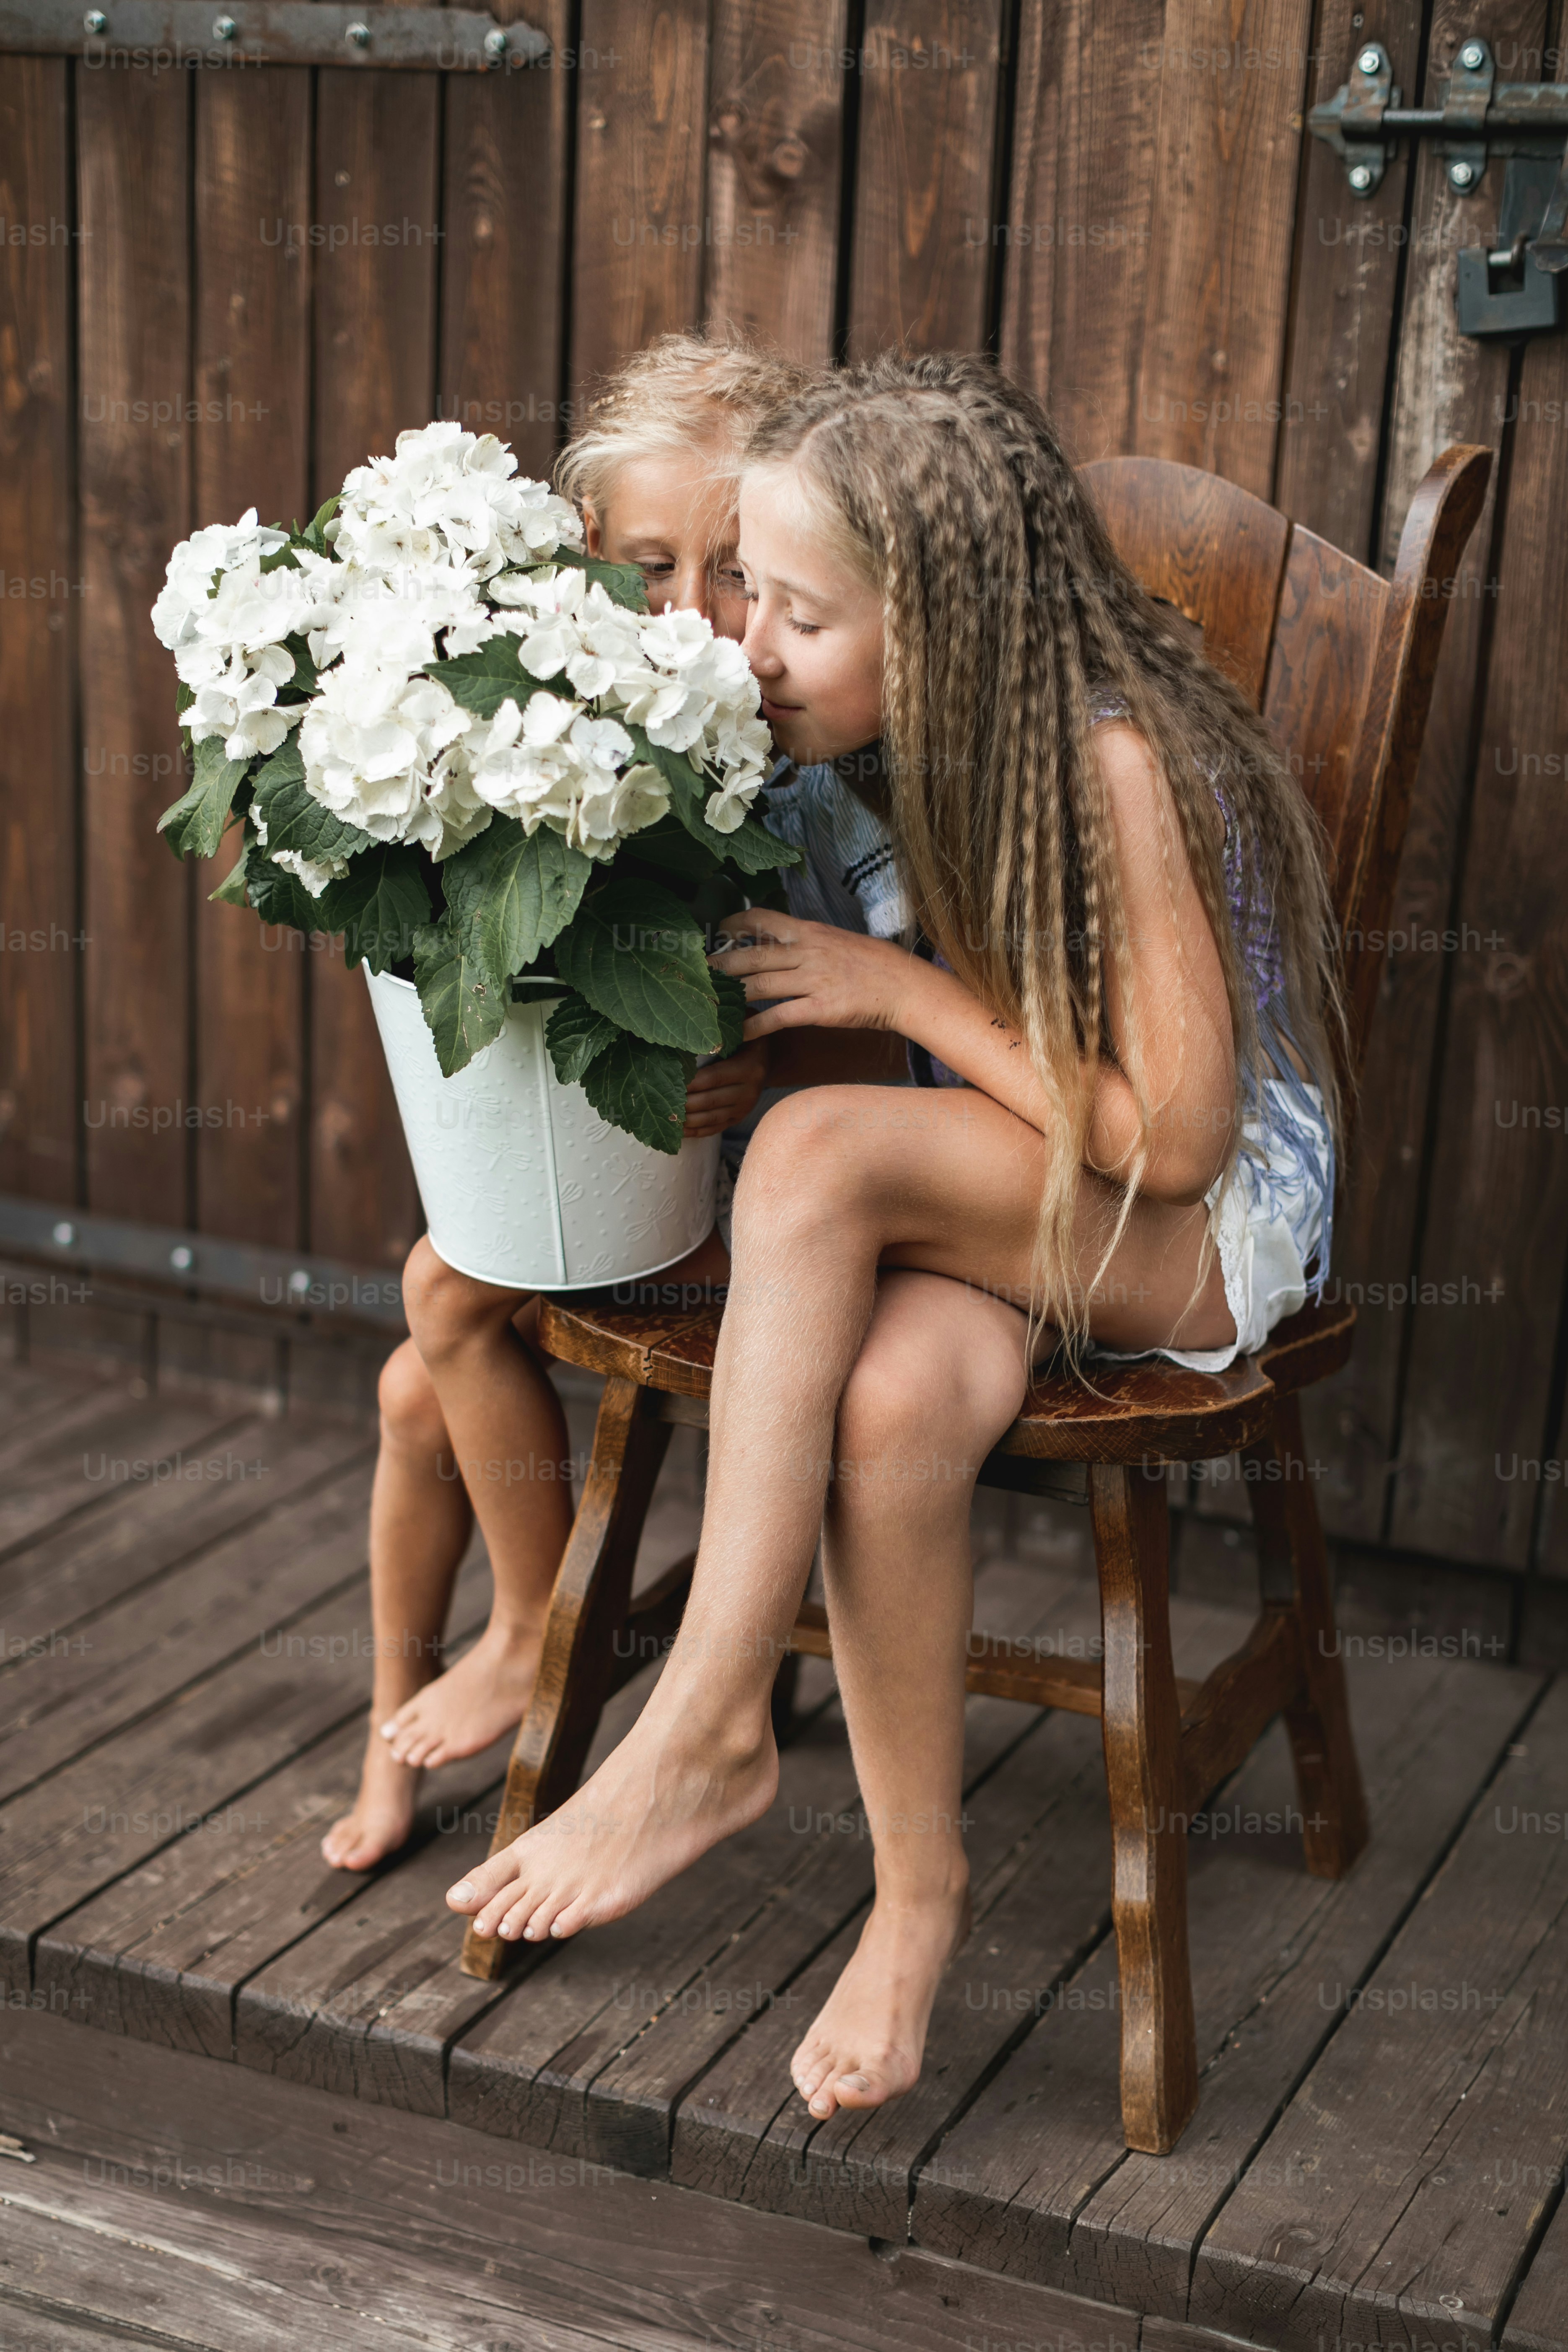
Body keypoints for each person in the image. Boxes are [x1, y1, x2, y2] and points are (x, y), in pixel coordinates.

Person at [442, 352, 1345, 2128]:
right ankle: (916, 1897)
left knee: (825, 1149)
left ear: (933, 630)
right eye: (740, 591)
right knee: (892, 1402)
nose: (747, 646)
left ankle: (703, 1718)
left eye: (791, 610)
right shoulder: (863, 750)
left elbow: (1175, 1142)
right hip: (1014, 1190)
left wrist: (890, 989)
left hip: (1201, 1234)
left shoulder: (1111, 763)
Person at [322, 334, 907, 1871]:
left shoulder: (813, 760)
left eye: (738, 569)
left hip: (791, 1212)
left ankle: (529, 1633)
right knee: (412, 1383)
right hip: (641, 1172)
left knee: (438, 1309)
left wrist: (765, 1065)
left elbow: (889, 1050)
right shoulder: (555, 732)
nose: (700, 616)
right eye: (654, 567)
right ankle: (392, 1723)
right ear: (585, 558)